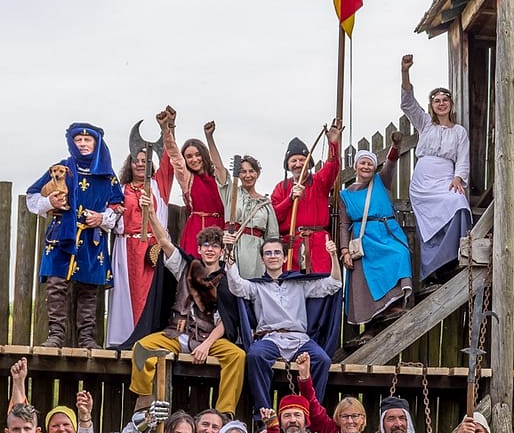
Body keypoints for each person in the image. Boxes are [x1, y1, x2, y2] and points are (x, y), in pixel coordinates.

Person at [128, 192, 246, 418]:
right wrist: (150, 213)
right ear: (199, 249)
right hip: (177, 334)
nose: (210, 249)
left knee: (237, 357)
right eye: (205, 246)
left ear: (221, 251)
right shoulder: (186, 267)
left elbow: (225, 322)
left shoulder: (227, 279)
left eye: (215, 246)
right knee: (141, 349)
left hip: (208, 338)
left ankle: (223, 415)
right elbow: (164, 241)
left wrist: (206, 346)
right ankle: (143, 404)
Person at [26, 122, 124, 349]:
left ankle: (87, 339)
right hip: (62, 235)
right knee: (56, 284)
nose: (82, 144)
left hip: (91, 239)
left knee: (89, 290)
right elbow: (32, 196)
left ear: (96, 143)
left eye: (87, 140)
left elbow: (118, 207)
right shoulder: (61, 168)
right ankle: (56, 336)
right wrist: (49, 201)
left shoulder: (107, 176)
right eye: (78, 140)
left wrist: (102, 218)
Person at [227, 237, 342, 417]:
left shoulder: (299, 283)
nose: (273, 256)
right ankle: (263, 414)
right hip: (271, 338)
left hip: (299, 338)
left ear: (284, 257)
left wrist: (334, 256)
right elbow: (236, 286)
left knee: (322, 359)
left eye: (277, 252)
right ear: (262, 259)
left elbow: (333, 285)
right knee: (255, 355)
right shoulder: (257, 287)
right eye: (268, 253)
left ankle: (311, 413)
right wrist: (229, 257)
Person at [272, 122, 346, 353]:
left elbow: (333, 167)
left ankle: (319, 345)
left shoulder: (319, 182)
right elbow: (273, 217)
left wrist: (333, 143)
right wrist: (290, 199)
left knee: (321, 294)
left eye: (301, 159)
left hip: (318, 245)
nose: (297, 163)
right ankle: (294, 344)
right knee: (295, 296)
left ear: (308, 162)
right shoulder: (281, 187)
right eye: (293, 160)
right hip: (292, 247)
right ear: (287, 164)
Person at [398, 54, 471, 281]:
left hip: (446, 179)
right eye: (436, 100)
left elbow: (463, 158)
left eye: (444, 100)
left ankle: (452, 259)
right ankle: (432, 269)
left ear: (450, 104)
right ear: (432, 105)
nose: (441, 103)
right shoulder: (425, 124)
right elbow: (408, 104)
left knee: (458, 204)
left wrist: (459, 177)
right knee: (429, 224)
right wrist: (405, 71)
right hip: (423, 183)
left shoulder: (459, 131)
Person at [108, 133, 175, 346]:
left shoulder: (158, 186)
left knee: (151, 294)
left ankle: (149, 339)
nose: (140, 165)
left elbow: (169, 160)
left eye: (145, 162)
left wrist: (168, 131)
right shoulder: (120, 189)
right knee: (126, 295)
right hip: (126, 247)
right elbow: (110, 215)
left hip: (153, 248)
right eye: (135, 161)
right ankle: (124, 339)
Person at [339, 148, 415, 323]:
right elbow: (344, 224)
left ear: (374, 167)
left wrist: (395, 145)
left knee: (400, 254)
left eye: (369, 163)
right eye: (362, 163)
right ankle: (376, 316)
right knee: (364, 272)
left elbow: (391, 163)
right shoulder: (345, 195)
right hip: (363, 238)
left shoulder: (381, 180)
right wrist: (345, 251)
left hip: (386, 232)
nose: (366, 166)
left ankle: (393, 304)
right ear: (355, 167)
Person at [159, 110, 230, 254]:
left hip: (219, 228)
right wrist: (167, 129)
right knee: (194, 270)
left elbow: (218, 166)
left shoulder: (219, 178)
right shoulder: (188, 179)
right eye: (189, 156)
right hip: (196, 231)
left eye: (198, 154)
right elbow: (175, 156)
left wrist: (209, 137)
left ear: (204, 155)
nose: (194, 159)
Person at [221, 149, 280, 281]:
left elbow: (272, 237)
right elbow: (219, 168)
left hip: (255, 256)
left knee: (253, 291)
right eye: (243, 171)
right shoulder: (232, 194)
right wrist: (210, 137)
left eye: (251, 171)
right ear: (238, 174)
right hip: (232, 248)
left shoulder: (265, 204)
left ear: (257, 174)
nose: (248, 175)